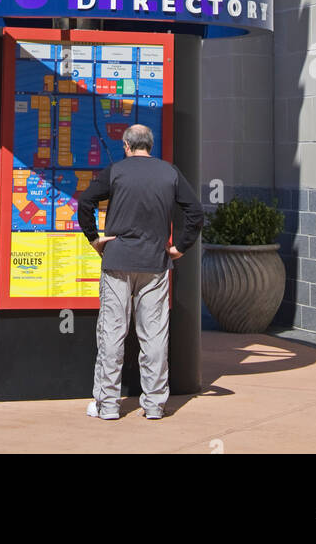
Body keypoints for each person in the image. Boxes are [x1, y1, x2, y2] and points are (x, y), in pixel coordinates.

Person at [77, 122, 203, 422]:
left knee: (112, 333)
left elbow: (85, 202)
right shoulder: (169, 172)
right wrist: (180, 247)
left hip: (117, 261)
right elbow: (195, 212)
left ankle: (107, 405)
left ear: (126, 146)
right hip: (155, 263)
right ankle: (155, 405)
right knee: (154, 336)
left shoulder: (116, 171)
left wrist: (95, 239)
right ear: (150, 145)